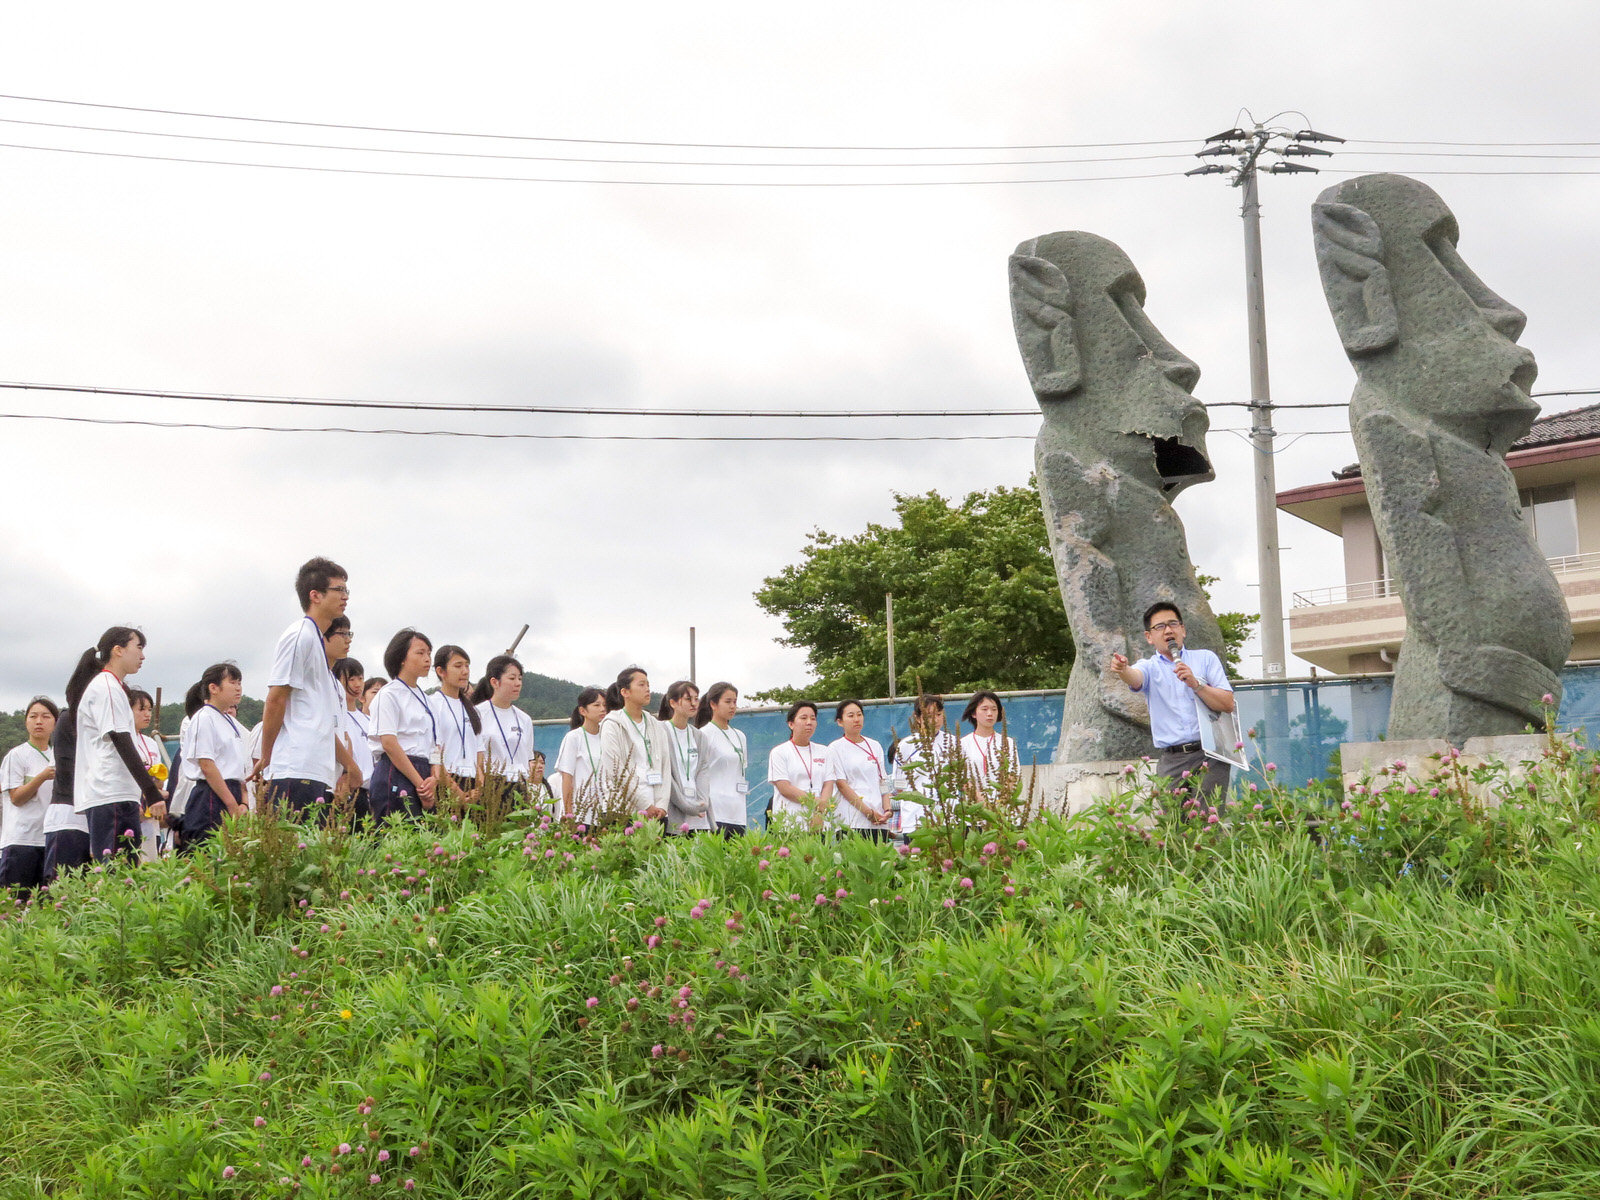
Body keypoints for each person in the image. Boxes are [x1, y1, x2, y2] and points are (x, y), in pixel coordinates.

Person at [255, 557, 364, 824]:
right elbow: (276, 699)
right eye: (338, 590)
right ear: (314, 595)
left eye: (346, 590)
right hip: (295, 768)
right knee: (290, 856)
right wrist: (266, 756)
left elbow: (321, 723)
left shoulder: (317, 646)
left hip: (317, 771)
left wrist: (349, 765)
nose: (345, 597)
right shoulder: (299, 635)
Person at [1110, 600, 1236, 811]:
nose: (1168, 630)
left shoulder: (1205, 659)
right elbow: (1134, 677)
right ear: (1149, 637)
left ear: (1183, 630)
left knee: (1209, 823)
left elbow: (1227, 703)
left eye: (1173, 624)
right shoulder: (1149, 667)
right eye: (1160, 627)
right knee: (1175, 825)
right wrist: (1122, 669)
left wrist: (1196, 684)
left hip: (1211, 753)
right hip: (1172, 759)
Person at [70, 627, 168, 863]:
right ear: (118, 650)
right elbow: (120, 739)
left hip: (116, 794)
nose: (142, 656)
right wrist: (151, 792)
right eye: (139, 647)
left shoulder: (113, 687)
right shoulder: (107, 687)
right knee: (118, 875)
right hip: (110, 793)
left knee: (126, 875)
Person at [368, 629, 439, 824]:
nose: (427, 659)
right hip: (396, 770)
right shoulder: (389, 694)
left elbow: (436, 745)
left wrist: (434, 778)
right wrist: (420, 785)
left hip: (424, 773)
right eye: (420, 653)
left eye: (429, 653)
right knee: (396, 839)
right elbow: (389, 743)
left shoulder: (428, 700)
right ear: (401, 658)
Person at [177, 664, 248, 849]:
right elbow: (207, 765)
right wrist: (231, 805)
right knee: (208, 854)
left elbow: (238, 766)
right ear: (213, 687)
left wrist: (243, 802)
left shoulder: (228, 720)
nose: (238, 687)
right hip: (211, 796)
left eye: (239, 682)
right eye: (232, 682)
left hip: (232, 792)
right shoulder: (204, 717)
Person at [0, 698, 58, 897]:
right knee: (13, 904)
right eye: (33, 716)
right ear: (26, 722)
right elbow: (16, 797)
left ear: (55, 723)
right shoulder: (16, 756)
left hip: (49, 841)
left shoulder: (57, 756)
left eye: (45, 716)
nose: (39, 721)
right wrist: (42, 777)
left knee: (44, 905)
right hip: (21, 841)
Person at [598, 667, 671, 825]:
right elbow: (616, 771)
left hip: (656, 813)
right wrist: (646, 805)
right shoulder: (612, 724)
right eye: (642, 684)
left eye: (648, 685)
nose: (647, 689)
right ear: (625, 692)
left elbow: (666, 767)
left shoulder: (656, 725)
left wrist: (662, 806)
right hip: (622, 811)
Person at [823, 699, 891, 840]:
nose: (856, 719)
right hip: (852, 820)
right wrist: (867, 812)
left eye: (859, 715)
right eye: (850, 716)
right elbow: (841, 784)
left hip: (879, 820)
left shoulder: (875, 745)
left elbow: (882, 781)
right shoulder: (835, 748)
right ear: (840, 721)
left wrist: (887, 809)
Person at [893, 693, 958, 836]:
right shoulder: (906, 745)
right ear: (917, 718)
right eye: (928, 715)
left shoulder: (953, 742)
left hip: (947, 819)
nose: (935, 720)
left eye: (939, 714)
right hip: (915, 820)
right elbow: (899, 784)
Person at [43, 685, 90, 883]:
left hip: (92, 817)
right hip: (68, 815)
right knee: (61, 888)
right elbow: (68, 766)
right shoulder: (69, 718)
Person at [471, 655, 535, 797]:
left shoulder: (524, 719)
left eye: (520, 678)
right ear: (495, 682)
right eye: (512, 678)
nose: (518, 683)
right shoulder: (477, 714)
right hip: (491, 784)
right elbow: (474, 756)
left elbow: (528, 758)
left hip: (519, 785)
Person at [693, 682, 749, 838]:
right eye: (727, 701)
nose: (732, 706)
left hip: (738, 810)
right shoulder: (703, 734)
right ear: (713, 704)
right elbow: (697, 772)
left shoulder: (740, 736)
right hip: (715, 809)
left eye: (735, 702)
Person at [429, 645, 484, 802]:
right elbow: (434, 754)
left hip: (472, 784)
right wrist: (456, 792)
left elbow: (479, 753)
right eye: (458, 666)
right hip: (445, 782)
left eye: (467, 665)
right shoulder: (432, 704)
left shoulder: (473, 711)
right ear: (441, 671)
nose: (465, 671)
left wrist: (478, 788)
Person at [766, 700, 832, 828]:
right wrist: (817, 803)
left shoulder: (825, 751)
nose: (809, 722)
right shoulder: (779, 752)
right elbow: (785, 788)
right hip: (791, 823)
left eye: (813, 718)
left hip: (820, 823)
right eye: (803, 718)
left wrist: (819, 813)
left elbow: (829, 784)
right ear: (791, 724)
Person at [657, 681, 708, 834]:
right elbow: (665, 774)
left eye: (696, 698)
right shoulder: (661, 731)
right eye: (688, 699)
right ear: (673, 702)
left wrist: (701, 803)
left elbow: (703, 771)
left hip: (698, 813)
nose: (693, 703)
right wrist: (686, 805)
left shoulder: (699, 736)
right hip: (672, 811)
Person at [128, 688, 170, 859]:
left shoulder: (151, 743)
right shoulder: (123, 740)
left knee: (150, 860)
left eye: (149, 710)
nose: (147, 714)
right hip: (133, 808)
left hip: (151, 811)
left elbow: (160, 776)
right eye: (141, 709)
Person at [333, 657, 374, 825]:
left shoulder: (368, 720)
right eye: (351, 679)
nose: (357, 684)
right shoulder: (336, 716)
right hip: (348, 790)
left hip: (370, 793)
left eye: (360, 678)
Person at [555, 687, 605, 817]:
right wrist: (569, 813)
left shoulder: (607, 737)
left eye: (605, 705)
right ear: (583, 711)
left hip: (604, 812)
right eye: (597, 705)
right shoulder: (574, 737)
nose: (602, 709)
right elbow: (567, 778)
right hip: (580, 814)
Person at [959, 690, 1019, 794]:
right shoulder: (963, 744)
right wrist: (980, 801)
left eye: (994, 709)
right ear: (974, 713)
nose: (990, 714)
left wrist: (1001, 800)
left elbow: (1013, 774)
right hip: (974, 806)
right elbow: (962, 778)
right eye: (984, 709)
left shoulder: (1007, 742)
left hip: (1003, 806)